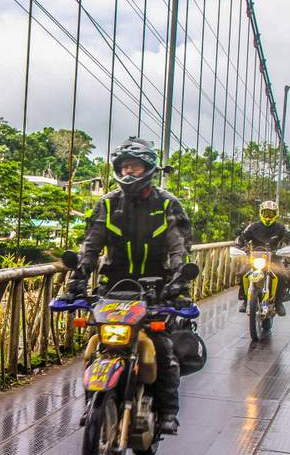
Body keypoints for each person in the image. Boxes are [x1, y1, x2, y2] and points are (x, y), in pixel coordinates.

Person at [62, 137, 192, 435]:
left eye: (135, 166)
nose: (129, 171)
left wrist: (179, 283)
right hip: (113, 289)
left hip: (158, 290)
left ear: (149, 169)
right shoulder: (107, 205)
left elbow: (179, 248)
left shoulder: (167, 204)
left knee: (163, 349)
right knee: (98, 347)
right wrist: (76, 281)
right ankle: (93, 402)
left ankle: (167, 412)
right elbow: (90, 247)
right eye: (124, 166)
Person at [234, 200, 290, 317]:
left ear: (275, 214)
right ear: (261, 213)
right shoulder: (253, 227)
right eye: (266, 213)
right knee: (243, 273)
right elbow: (242, 237)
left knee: (282, 274)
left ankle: (279, 303)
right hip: (255, 257)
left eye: (271, 214)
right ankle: (245, 300)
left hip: (274, 258)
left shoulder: (280, 228)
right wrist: (238, 244)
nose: (268, 216)